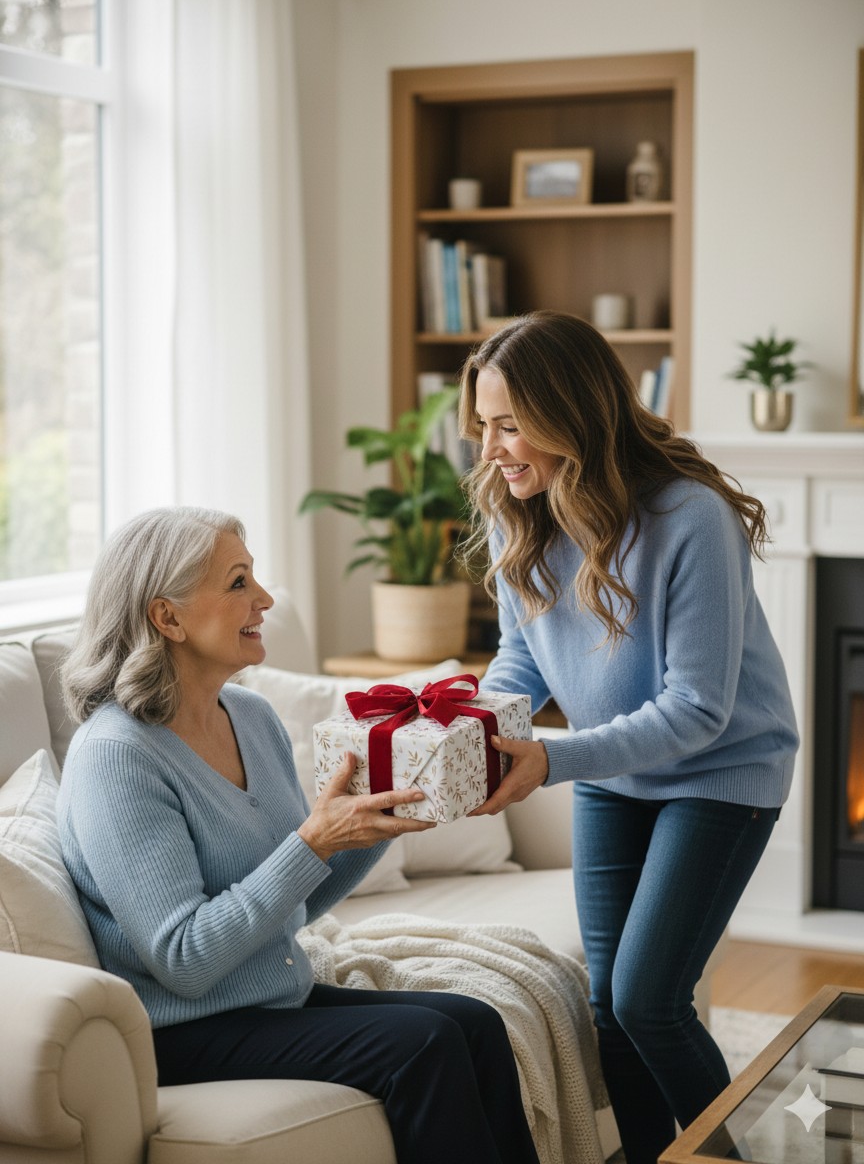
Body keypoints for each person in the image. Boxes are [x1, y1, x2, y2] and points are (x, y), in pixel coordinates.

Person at [57, 506, 541, 1164]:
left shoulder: (250, 716)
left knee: (474, 1020)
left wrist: (375, 826)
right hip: (178, 1032)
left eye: (254, 577)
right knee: (424, 1045)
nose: (264, 599)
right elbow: (182, 959)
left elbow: (295, 904)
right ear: (166, 617)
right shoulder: (117, 755)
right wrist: (312, 843)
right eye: (237, 584)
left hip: (269, 997)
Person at [459, 312, 799, 1164]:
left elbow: (698, 710)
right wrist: (476, 725)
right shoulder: (517, 512)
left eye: (509, 425)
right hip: (617, 774)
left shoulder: (690, 516)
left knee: (650, 998)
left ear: (569, 411)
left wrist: (550, 760)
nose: (492, 449)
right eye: (483, 427)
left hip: (721, 774)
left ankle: (732, 1157)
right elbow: (519, 660)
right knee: (608, 1007)